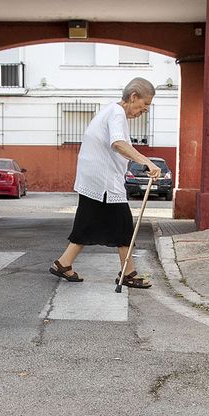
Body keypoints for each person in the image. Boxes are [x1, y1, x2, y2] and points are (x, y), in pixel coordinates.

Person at [49, 77, 162, 288]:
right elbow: (118, 143)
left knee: (87, 223)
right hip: (103, 182)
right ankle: (128, 273)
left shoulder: (111, 111)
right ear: (133, 96)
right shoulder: (117, 114)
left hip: (94, 179)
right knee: (123, 223)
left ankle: (63, 264)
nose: (144, 110)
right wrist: (147, 162)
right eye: (144, 105)